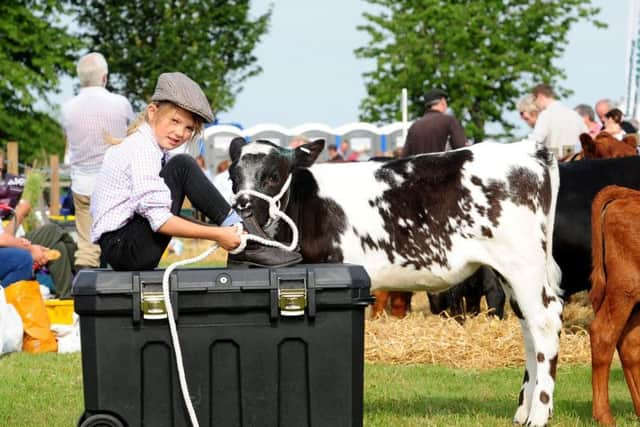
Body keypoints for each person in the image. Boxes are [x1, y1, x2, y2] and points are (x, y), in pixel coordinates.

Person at [90, 72, 301, 271]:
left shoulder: (155, 150)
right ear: (152, 112)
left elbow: (162, 213)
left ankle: (245, 234)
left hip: (123, 247)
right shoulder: (143, 149)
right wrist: (218, 234)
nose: (180, 132)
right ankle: (248, 240)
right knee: (183, 165)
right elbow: (160, 219)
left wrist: (227, 232)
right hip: (124, 248)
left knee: (181, 165)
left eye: (189, 128)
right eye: (175, 121)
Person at [61, 52, 135, 270]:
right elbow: (131, 134)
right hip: (116, 183)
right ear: (104, 77)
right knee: (118, 235)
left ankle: (85, 283)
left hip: (83, 182)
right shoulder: (120, 104)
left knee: (87, 245)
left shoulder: (67, 108)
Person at [402, 88, 467, 156]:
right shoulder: (450, 121)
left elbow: (404, 157)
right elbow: (463, 150)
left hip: (419, 166)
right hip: (443, 166)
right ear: (443, 102)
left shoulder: (414, 126)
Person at [528, 83, 587, 158]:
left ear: (540, 96)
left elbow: (534, 141)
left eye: (534, 100)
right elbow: (587, 139)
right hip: (575, 163)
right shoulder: (575, 115)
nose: (535, 104)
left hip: (555, 164)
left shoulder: (545, 115)